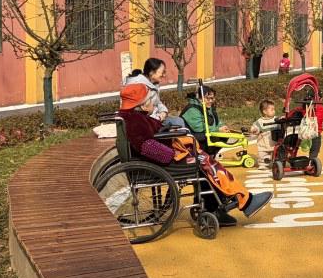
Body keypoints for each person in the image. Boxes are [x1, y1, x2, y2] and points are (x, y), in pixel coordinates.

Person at [117, 84, 270, 225]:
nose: (154, 104)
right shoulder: (136, 121)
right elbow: (146, 145)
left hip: (158, 158)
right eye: (151, 101)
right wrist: (172, 153)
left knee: (206, 162)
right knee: (207, 166)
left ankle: (220, 206)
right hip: (165, 160)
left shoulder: (131, 117)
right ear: (142, 104)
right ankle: (242, 201)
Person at [123, 58, 184, 128]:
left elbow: (158, 103)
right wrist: (159, 118)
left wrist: (163, 112)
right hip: (147, 124)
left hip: (156, 118)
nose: (164, 75)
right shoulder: (138, 87)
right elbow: (140, 113)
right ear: (151, 72)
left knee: (179, 121)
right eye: (162, 72)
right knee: (178, 122)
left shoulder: (153, 84)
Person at [181, 86, 231, 154]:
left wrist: (222, 127)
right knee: (212, 136)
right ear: (200, 98)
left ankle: (213, 155)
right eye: (208, 98)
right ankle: (207, 154)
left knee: (225, 135)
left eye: (212, 98)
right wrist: (217, 130)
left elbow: (216, 120)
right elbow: (199, 128)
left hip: (204, 134)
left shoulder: (208, 107)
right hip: (193, 137)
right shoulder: (192, 109)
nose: (211, 101)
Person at [248, 99, 278, 166]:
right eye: (272, 109)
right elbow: (254, 127)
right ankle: (263, 164)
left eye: (274, 109)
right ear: (265, 111)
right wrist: (254, 130)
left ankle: (275, 164)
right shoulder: (260, 122)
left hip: (274, 145)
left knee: (277, 158)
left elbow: (283, 123)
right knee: (263, 160)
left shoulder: (276, 120)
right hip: (263, 146)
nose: (274, 111)